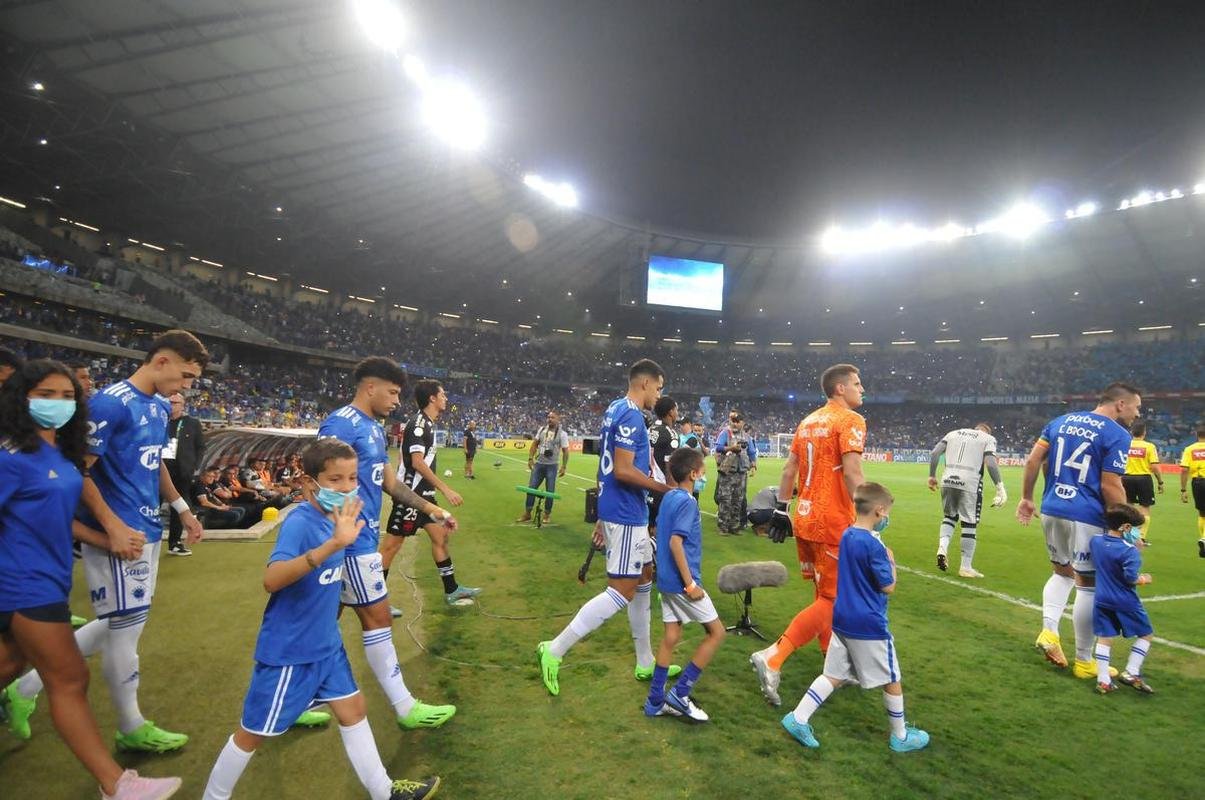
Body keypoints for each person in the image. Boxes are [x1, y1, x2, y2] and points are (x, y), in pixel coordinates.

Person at [200, 439, 441, 800]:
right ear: (311, 483)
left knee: (354, 709)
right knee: (253, 733)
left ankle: (383, 792)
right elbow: (272, 580)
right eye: (335, 480)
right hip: (291, 651)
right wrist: (331, 546)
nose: (346, 487)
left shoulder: (343, 518)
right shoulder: (301, 523)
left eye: (351, 478)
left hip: (326, 645)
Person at [7, 330, 212, 754]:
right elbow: (77, 472)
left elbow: (154, 465)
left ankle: (24, 687)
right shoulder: (110, 405)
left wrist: (182, 509)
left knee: (125, 621)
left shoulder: (156, 405)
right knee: (125, 631)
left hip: (146, 530)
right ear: (161, 362)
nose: (188, 386)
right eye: (186, 375)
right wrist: (111, 528)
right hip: (118, 537)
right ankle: (130, 726)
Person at [317, 358, 458, 731]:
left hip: (356, 538)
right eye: (392, 392)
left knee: (321, 620)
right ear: (370, 388)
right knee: (377, 617)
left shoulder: (375, 429)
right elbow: (317, 482)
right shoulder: (341, 424)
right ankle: (404, 705)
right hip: (350, 543)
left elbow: (391, 483)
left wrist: (432, 508)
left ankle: (300, 697)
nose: (397, 400)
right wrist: (339, 530)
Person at [537, 359, 676, 695]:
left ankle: (645, 661)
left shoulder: (616, 409)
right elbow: (623, 471)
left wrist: (601, 512)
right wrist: (665, 490)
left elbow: (608, 465)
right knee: (620, 591)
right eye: (658, 388)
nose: (659, 395)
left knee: (643, 581)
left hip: (625, 511)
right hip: (626, 513)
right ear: (644, 383)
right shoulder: (629, 414)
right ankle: (554, 650)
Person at [780, 482, 930, 753]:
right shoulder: (874, 546)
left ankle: (798, 718)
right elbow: (888, 586)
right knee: (892, 677)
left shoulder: (847, 534)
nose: (886, 518)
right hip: (868, 623)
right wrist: (892, 562)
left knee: (833, 675)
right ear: (879, 510)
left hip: (842, 618)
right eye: (886, 513)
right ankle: (901, 736)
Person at [753, 364, 867, 706]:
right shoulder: (850, 421)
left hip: (804, 518)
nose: (863, 389)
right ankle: (773, 656)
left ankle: (832, 664)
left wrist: (781, 509)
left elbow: (790, 469)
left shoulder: (807, 421)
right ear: (840, 389)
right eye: (858, 384)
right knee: (832, 600)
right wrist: (869, 515)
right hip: (833, 520)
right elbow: (852, 472)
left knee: (825, 595)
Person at [1016, 382, 1140, 678]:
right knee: (1088, 585)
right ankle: (1085, 662)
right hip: (1086, 515)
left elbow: (1034, 460)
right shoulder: (1117, 434)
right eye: (1136, 407)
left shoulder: (1060, 421)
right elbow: (1110, 484)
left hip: (1052, 509)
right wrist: (1127, 526)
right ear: (1120, 404)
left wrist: (1027, 498)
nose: (1137, 413)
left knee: (1061, 573)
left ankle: (1049, 632)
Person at [643, 448, 724, 723]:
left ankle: (655, 701)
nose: (704, 477)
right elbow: (676, 542)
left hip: (665, 581)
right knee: (716, 633)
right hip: (681, 584)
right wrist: (690, 584)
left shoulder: (669, 497)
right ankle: (681, 693)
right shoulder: (688, 503)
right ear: (692, 474)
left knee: (671, 636)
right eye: (702, 473)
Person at [383, 380, 476, 606]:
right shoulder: (418, 424)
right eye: (442, 394)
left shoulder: (427, 424)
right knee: (390, 547)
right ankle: (375, 600)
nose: (446, 398)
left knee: (441, 537)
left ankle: (452, 590)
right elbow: (416, 462)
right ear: (432, 398)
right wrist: (446, 489)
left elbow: (404, 458)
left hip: (424, 496)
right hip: (411, 497)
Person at [1090, 504, 1156, 695]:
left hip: (1101, 598)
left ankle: (1103, 681)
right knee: (1146, 634)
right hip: (1125, 601)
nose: (1137, 532)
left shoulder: (1096, 541)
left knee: (1105, 637)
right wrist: (1144, 579)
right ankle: (1132, 672)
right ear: (1125, 527)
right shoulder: (1129, 551)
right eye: (1135, 528)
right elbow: (1130, 577)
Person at [926, 422, 1008, 578]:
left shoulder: (953, 433)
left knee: (949, 517)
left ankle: (942, 547)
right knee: (969, 522)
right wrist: (1000, 486)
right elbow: (990, 462)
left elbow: (935, 453)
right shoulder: (987, 438)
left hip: (948, 479)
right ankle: (965, 567)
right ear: (986, 431)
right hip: (970, 482)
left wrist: (931, 476)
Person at [164, 393, 205, 555]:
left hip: (182, 472)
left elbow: (200, 446)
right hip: (159, 470)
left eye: (175, 402)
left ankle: (174, 543)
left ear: (183, 405)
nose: (172, 405)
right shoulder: (160, 420)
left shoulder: (192, 424)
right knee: (152, 504)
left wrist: (194, 466)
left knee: (179, 507)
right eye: (169, 402)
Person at [517, 410, 570, 524]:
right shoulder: (541, 430)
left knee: (550, 492)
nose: (550, 419)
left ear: (558, 420)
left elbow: (566, 451)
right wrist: (530, 458)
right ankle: (527, 513)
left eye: (552, 417)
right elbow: (534, 444)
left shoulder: (562, 434)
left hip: (552, 466)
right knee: (531, 488)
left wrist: (564, 466)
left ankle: (546, 515)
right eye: (548, 417)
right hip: (539, 464)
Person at [714, 411, 757, 535]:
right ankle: (723, 527)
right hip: (728, 472)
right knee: (725, 500)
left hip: (741, 472)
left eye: (737, 421)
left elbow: (752, 452)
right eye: (733, 421)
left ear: (743, 422)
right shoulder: (725, 433)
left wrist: (753, 464)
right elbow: (718, 447)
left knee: (738, 501)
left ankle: (734, 526)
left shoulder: (747, 437)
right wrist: (731, 448)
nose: (735, 423)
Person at [1122, 421, 1163, 545]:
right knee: (1145, 507)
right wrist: (1160, 481)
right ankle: (1141, 537)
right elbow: (1155, 466)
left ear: (1131, 432)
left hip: (1126, 477)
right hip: (1143, 478)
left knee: (1128, 507)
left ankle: (1127, 535)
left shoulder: (1125, 444)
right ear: (1144, 433)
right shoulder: (1149, 446)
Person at [646, 397, 679, 534]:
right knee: (661, 531)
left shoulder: (650, 429)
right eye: (676, 409)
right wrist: (673, 493)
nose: (677, 413)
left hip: (645, 484)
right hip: (660, 487)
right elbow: (670, 467)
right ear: (671, 412)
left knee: (647, 525)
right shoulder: (670, 434)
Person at [1181, 424, 1205, 558]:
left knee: (1202, 513)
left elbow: (1184, 470)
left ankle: (1203, 537)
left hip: (1198, 482)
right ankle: (1204, 539)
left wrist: (1183, 489)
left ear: (1197, 435)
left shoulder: (1190, 449)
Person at [677, 419, 707, 501]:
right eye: (680, 424)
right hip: (682, 472)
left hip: (690, 473)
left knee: (691, 498)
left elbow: (681, 452)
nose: (681, 426)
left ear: (689, 424)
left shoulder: (693, 438)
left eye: (683, 424)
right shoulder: (679, 437)